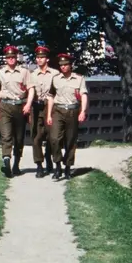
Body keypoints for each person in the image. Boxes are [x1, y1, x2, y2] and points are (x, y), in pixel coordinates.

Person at [0, 45, 34, 177]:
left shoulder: (24, 72)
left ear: (17, 58)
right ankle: (6, 160)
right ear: (5, 59)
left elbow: (31, 89)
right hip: (5, 106)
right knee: (6, 136)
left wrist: (28, 104)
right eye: (8, 57)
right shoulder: (0, 73)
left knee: (19, 138)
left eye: (13, 57)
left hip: (20, 107)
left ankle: (16, 164)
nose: (10, 59)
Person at [45, 53, 88, 181]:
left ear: (70, 65)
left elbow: (84, 95)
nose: (63, 67)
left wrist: (83, 111)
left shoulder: (79, 79)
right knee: (54, 138)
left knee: (70, 140)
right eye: (61, 65)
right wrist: (48, 114)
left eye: (65, 65)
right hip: (58, 110)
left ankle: (68, 167)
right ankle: (57, 166)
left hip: (72, 111)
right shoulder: (56, 78)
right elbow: (51, 96)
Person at [28, 45, 59, 178]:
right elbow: (29, 92)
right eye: (38, 57)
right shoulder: (32, 74)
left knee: (52, 137)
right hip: (36, 107)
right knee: (36, 138)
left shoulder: (55, 74)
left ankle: (51, 160)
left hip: (50, 106)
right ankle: (39, 165)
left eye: (42, 57)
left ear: (47, 59)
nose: (39, 60)